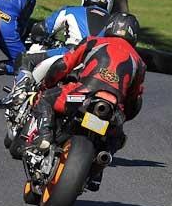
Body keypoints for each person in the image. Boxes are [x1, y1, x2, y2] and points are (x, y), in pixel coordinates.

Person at [32, 12, 146, 191]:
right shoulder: (139, 62)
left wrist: (48, 83)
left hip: (81, 96)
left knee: (45, 98)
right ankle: (98, 167)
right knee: (117, 137)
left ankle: (45, 136)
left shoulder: (93, 41)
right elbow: (135, 100)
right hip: (112, 109)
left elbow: (63, 65)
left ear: (109, 27)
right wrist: (124, 115)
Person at [5, 0, 113, 102]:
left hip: (68, 54)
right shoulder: (113, 22)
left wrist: (37, 36)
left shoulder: (70, 11)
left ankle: (18, 94)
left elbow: (42, 28)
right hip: (97, 64)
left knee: (25, 59)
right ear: (109, 2)